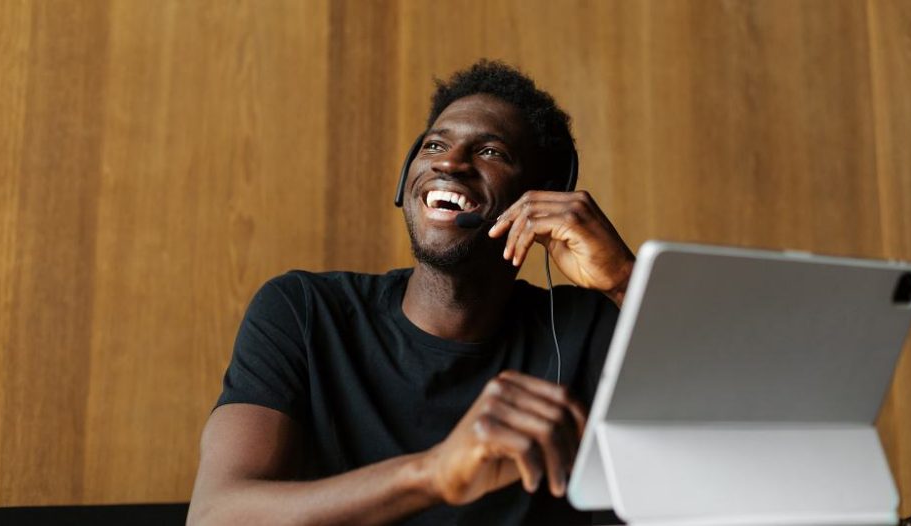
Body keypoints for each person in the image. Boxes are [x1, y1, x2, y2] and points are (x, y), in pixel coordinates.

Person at [187, 60, 636, 525]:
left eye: (490, 152)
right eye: (435, 145)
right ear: (406, 177)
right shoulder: (303, 311)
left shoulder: (587, 326)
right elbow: (215, 516)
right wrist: (433, 473)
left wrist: (624, 279)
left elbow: (692, 459)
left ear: (542, 197)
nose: (449, 162)